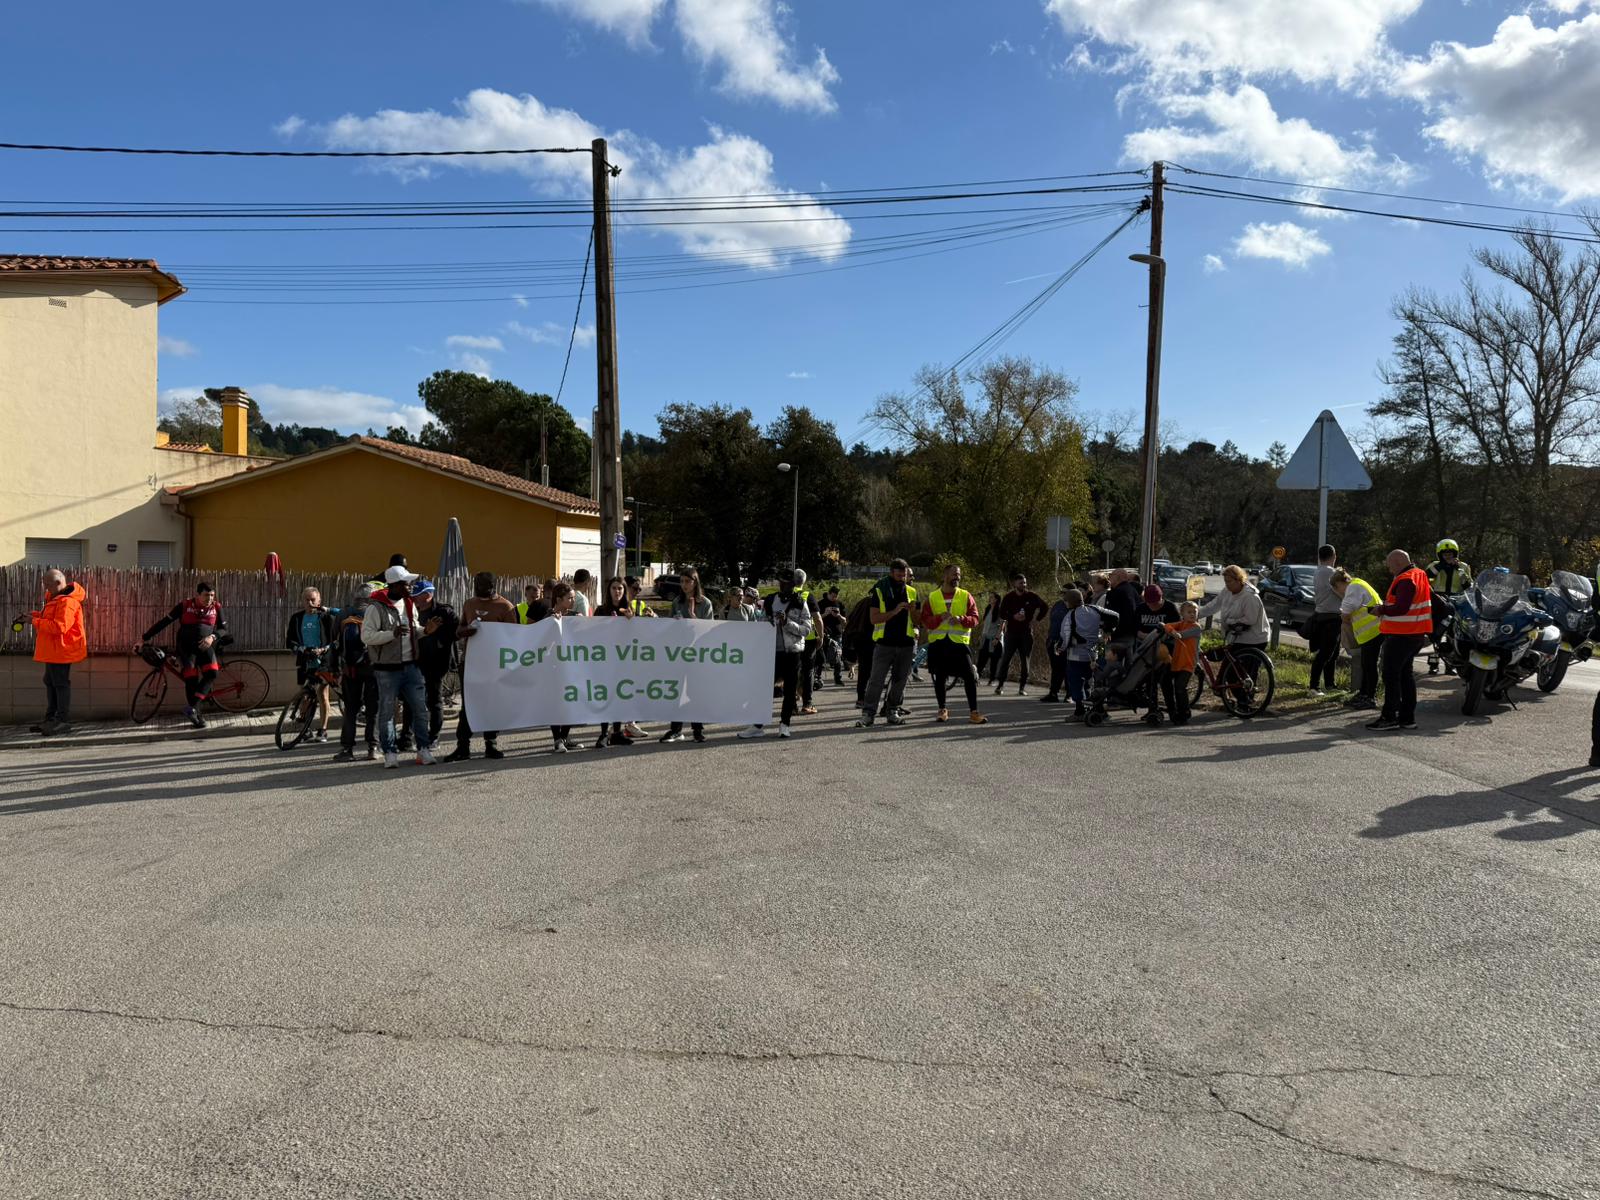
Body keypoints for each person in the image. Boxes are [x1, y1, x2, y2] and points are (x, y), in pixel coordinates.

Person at [360, 565, 436, 768]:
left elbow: (413, 630)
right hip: (386, 669)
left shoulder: (409, 604)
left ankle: (423, 750)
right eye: (407, 583)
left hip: (411, 666)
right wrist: (390, 634)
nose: (411, 586)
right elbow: (366, 636)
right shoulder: (375, 608)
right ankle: (390, 753)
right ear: (394, 585)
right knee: (386, 713)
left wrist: (425, 631)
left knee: (420, 709)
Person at [446, 571, 517, 761]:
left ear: (493, 587)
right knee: (468, 706)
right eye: (477, 586)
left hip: (494, 665)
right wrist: (466, 631)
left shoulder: (505, 607)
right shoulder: (470, 604)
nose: (479, 590)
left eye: (484, 587)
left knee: (492, 704)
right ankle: (462, 747)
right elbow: (459, 629)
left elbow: (514, 637)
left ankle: (490, 744)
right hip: (470, 664)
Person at [140, 580, 228, 728]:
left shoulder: (217, 607)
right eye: (206, 595)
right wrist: (144, 638)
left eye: (212, 595)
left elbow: (223, 629)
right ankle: (196, 715)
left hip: (205, 646)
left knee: (212, 673)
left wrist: (212, 637)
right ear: (198, 595)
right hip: (186, 648)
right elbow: (164, 622)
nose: (210, 598)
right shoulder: (185, 605)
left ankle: (192, 708)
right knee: (191, 679)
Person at [1365, 549, 1433, 732]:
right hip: (1415, 634)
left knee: (1391, 676)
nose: (1388, 570)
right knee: (1405, 676)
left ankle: (1389, 717)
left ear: (1396, 563)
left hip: (1401, 635)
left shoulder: (1405, 579)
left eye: (1389, 566)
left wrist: (1380, 610)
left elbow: (1401, 608)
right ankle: (1407, 718)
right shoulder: (1420, 574)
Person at [744, 568, 816, 739]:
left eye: (788, 583)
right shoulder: (770, 600)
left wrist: (787, 622)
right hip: (772, 651)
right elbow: (761, 622)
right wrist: (768, 621)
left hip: (793, 652)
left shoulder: (800, 602)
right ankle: (757, 725)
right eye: (782, 582)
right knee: (763, 689)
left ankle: (785, 724)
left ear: (794, 584)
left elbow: (807, 629)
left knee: (790, 690)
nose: (784, 586)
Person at [920, 563, 987, 724]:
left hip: (959, 644)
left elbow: (975, 618)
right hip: (939, 644)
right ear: (944, 576)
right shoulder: (932, 597)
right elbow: (925, 620)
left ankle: (974, 712)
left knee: (970, 676)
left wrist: (962, 619)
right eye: (954, 574)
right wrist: (938, 619)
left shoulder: (966, 595)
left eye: (959, 575)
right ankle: (942, 709)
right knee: (940, 677)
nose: (957, 577)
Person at [856, 559, 917, 728]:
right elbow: (874, 618)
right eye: (899, 574)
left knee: (900, 681)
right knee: (876, 680)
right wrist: (895, 610)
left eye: (905, 575)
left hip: (906, 643)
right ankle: (868, 714)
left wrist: (914, 611)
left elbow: (917, 620)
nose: (902, 578)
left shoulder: (912, 591)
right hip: (885, 643)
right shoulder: (880, 590)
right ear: (892, 572)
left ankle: (892, 711)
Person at [29, 568, 86, 736]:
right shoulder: (56, 598)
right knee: (50, 681)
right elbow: (51, 619)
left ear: (58, 582)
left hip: (62, 650)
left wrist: (34, 621)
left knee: (60, 684)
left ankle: (62, 721)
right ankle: (51, 719)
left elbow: (60, 627)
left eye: (47, 584)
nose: (45, 588)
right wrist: (33, 616)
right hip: (54, 650)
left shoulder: (68, 602)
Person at [661, 568, 713, 744]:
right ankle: (675, 729)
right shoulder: (677, 601)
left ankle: (697, 730)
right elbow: (669, 627)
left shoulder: (705, 603)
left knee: (694, 692)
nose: (683, 585)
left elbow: (708, 631)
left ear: (695, 582)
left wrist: (692, 616)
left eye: (687, 581)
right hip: (679, 653)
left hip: (697, 655)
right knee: (678, 691)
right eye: (681, 581)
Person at [592, 576, 644, 748]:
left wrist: (631, 622)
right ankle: (603, 733)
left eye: (620, 588)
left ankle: (616, 733)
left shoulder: (629, 610)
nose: (617, 591)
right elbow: (593, 633)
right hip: (605, 660)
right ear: (609, 590)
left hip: (623, 661)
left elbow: (637, 636)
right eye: (614, 588)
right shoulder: (601, 610)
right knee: (606, 696)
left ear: (624, 591)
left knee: (620, 696)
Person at [332, 583, 380, 762]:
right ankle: (373, 748)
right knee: (373, 710)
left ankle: (347, 749)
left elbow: (334, 644)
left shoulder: (343, 614)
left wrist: (334, 668)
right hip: (372, 668)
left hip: (349, 669)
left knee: (351, 710)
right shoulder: (375, 612)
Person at [285, 586, 336, 743]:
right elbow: (289, 641)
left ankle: (323, 731)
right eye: (306, 600)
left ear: (319, 600)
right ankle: (305, 730)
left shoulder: (326, 618)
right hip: (305, 661)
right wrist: (302, 649)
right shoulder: (297, 618)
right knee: (305, 694)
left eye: (313, 599)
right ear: (302, 601)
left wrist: (324, 649)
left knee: (322, 694)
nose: (310, 603)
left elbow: (335, 640)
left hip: (323, 662)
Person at [412, 579, 459, 750]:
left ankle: (433, 736)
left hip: (436, 662)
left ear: (428, 595)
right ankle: (409, 735)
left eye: (417, 596)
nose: (414, 599)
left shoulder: (444, 611)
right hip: (415, 661)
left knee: (434, 700)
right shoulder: (412, 611)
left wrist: (439, 639)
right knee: (413, 699)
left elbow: (457, 631)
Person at [1061, 587, 1117, 723]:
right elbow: (1116, 616)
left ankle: (1079, 711)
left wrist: (1061, 648)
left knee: (1076, 683)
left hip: (1077, 655)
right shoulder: (1095, 609)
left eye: (1066, 601)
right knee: (1096, 682)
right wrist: (1108, 631)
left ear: (1070, 602)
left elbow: (1065, 636)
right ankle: (1100, 711)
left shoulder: (1070, 615)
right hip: (1097, 651)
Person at [540, 581, 582, 754]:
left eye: (573, 598)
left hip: (572, 665)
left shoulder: (574, 616)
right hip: (553, 667)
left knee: (571, 701)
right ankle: (557, 739)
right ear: (558, 599)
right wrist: (551, 625)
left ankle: (564, 737)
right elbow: (541, 640)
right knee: (555, 703)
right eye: (569, 598)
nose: (572, 601)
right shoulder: (548, 617)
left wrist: (582, 622)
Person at [1332, 568, 1383, 710]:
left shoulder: (1353, 587)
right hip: (1373, 631)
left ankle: (1369, 697)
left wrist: (1345, 618)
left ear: (1340, 583)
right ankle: (1364, 693)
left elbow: (1346, 611)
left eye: (1337, 588)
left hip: (1373, 631)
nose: (1339, 591)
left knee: (1369, 665)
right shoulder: (1359, 583)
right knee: (1366, 665)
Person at [993, 573, 1048, 696]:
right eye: (1020, 583)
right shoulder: (1009, 597)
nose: (1023, 585)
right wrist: (1012, 616)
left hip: (1026, 634)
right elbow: (1001, 613)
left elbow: (1044, 607)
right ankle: (1000, 685)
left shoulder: (1032, 596)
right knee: (1006, 659)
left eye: (1024, 582)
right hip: (1011, 633)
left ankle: (1022, 688)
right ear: (1014, 584)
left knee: (1025, 660)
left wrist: (1035, 620)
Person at [1425, 539, 1472, 675]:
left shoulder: (1463, 566)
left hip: (1457, 601)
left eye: (1450, 553)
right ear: (1440, 554)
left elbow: (1468, 586)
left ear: (1455, 553)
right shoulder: (1434, 565)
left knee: (1453, 634)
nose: (1448, 555)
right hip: (1439, 601)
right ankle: (1433, 664)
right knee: (1436, 634)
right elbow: (1426, 576)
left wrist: (1458, 569)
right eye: (1444, 553)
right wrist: (1442, 566)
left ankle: (1450, 665)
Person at [1195, 566, 1269, 649]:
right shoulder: (1227, 590)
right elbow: (1214, 605)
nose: (1227, 584)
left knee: (1230, 661)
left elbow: (1250, 619)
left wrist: (1230, 621)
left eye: (1229, 581)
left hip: (1254, 640)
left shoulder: (1250, 596)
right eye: (1225, 581)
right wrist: (1196, 615)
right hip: (1237, 638)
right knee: (1228, 661)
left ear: (1239, 580)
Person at [1161, 601, 1202, 726]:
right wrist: (1171, 630)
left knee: (1180, 687)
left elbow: (1182, 635)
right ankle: (1173, 709)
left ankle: (1184, 713)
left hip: (1188, 663)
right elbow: (1167, 625)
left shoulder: (1196, 627)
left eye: (1194, 612)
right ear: (1182, 614)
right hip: (1177, 662)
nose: (1192, 614)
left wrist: (1175, 633)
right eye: (1189, 612)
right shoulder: (1181, 623)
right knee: (1165, 681)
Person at [1309, 544, 1342, 694]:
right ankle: (1314, 686)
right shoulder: (1331, 572)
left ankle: (1330, 684)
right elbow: (1342, 591)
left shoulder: (1318, 572)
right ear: (1334, 556)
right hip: (1331, 617)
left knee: (1332, 653)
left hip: (1322, 615)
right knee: (1326, 654)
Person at [844, 591, 877, 705]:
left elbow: (849, 619)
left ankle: (861, 698)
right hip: (870, 638)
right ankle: (867, 698)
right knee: (872, 670)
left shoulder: (862, 602)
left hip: (857, 638)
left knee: (863, 669)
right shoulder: (877, 602)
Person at [1041, 586, 1073, 703]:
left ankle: (1069, 694)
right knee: (1056, 668)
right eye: (1061, 592)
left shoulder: (1074, 607)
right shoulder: (1058, 604)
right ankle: (1053, 693)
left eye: (1065, 592)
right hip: (1053, 641)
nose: (1062, 594)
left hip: (1067, 642)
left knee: (1067, 669)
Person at [975, 591, 1005, 685]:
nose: (989, 598)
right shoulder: (988, 609)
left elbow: (1002, 625)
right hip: (985, 638)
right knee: (981, 659)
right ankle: (976, 678)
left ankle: (991, 680)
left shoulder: (1000, 610)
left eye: (991, 597)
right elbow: (985, 624)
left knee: (994, 661)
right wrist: (981, 635)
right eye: (989, 597)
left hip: (994, 639)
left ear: (996, 599)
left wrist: (997, 638)